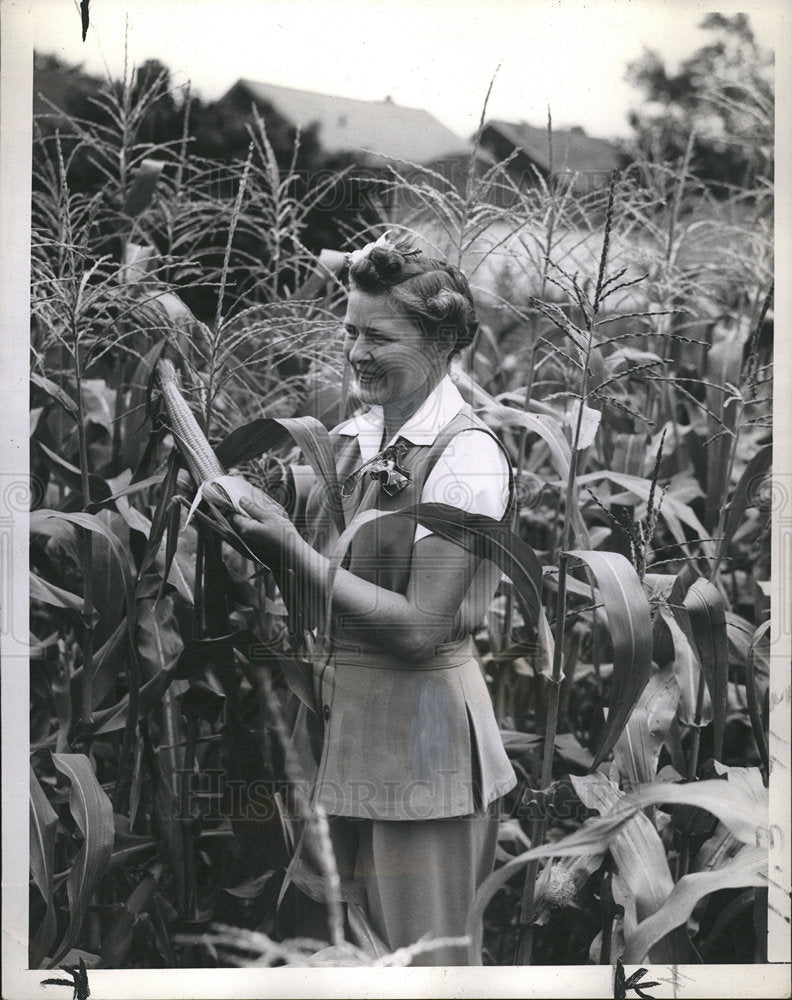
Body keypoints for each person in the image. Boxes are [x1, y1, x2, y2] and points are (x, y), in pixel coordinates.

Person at [231, 232, 517, 965]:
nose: (355, 351)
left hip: (425, 758)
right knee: (331, 963)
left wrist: (290, 552)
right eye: (349, 330)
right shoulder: (361, 434)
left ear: (444, 342)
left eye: (378, 336)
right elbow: (328, 556)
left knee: (422, 969)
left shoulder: (467, 455)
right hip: (348, 746)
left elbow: (422, 628)